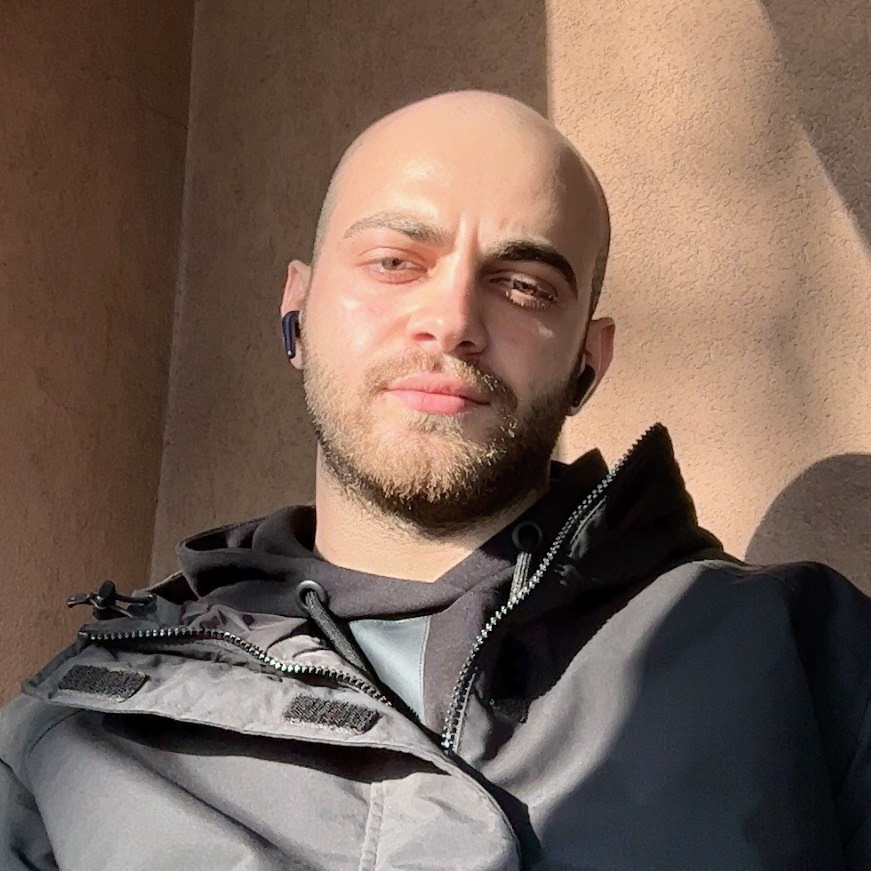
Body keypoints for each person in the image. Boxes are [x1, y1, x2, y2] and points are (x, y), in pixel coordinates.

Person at [1, 90, 869, 871]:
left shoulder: (809, 661)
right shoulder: (74, 727)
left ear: (587, 361)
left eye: (523, 285)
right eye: (393, 262)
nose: (451, 321)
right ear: (296, 307)